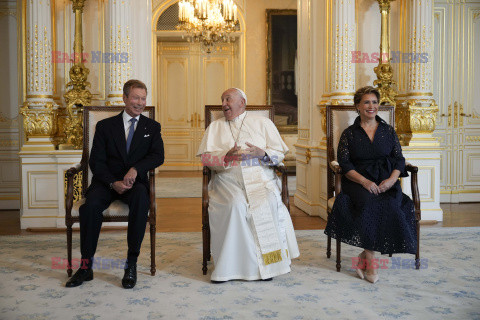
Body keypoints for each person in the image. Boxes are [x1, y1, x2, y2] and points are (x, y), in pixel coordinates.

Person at [66, 79, 164, 289]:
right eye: (136, 97)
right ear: (125, 98)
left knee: (141, 198)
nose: (140, 102)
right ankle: (85, 267)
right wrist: (113, 182)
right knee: (89, 207)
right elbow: (95, 162)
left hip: (134, 184)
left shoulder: (152, 127)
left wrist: (136, 169)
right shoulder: (105, 126)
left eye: (143, 98)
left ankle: (131, 265)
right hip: (106, 183)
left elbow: (158, 156)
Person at [197, 88, 300, 282]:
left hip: (259, 177)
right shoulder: (215, 127)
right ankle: (231, 267)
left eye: (228, 99)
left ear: (242, 102)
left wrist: (263, 154)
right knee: (234, 205)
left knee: (267, 202)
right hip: (227, 179)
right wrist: (224, 157)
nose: (224, 104)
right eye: (222, 100)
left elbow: (280, 153)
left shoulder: (263, 123)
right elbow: (205, 159)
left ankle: (269, 264)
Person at [324, 86, 417, 283]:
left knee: (392, 205)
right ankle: (372, 263)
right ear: (357, 106)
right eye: (366, 102)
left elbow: (399, 159)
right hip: (357, 182)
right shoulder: (349, 134)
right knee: (369, 204)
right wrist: (365, 182)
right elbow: (345, 163)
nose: (371, 106)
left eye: (375, 102)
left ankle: (363, 257)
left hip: (386, 181)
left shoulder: (388, 131)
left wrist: (392, 180)